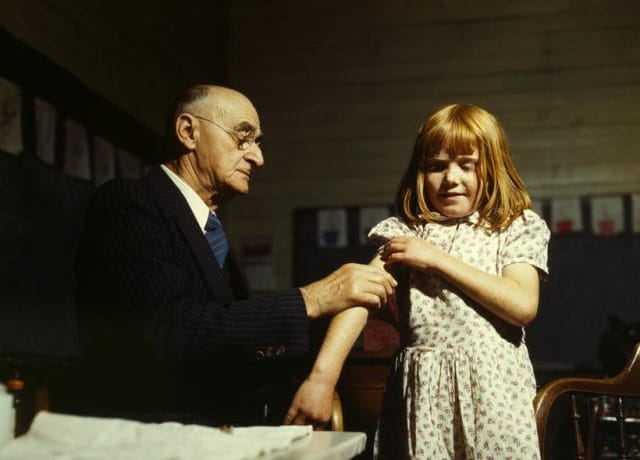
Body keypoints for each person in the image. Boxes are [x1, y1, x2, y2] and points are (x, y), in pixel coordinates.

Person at [68, 84, 396, 427]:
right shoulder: (129, 204)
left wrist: (321, 367)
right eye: (243, 138)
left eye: (257, 143)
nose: (258, 157)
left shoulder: (209, 230)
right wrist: (314, 299)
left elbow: (229, 339)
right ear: (188, 132)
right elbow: (168, 329)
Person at [285, 104, 550, 457]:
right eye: (436, 166)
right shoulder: (407, 233)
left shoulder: (514, 226)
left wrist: (436, 259)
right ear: (420, 173)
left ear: (493, 168)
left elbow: (522, 306)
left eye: (466, 165)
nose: (450, 178)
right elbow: (358, 302)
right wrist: (321, 379)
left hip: (494, 394)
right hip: (421, 394)